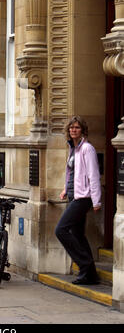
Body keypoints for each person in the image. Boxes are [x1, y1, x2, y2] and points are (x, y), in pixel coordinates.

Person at [55, 116, 101, 285]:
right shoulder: (73, 149)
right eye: (71, 128)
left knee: (60, 230)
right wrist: (65, 190)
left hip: (83, 197)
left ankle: (85, 266)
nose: (73, 130)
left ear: (83, 130)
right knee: (78, 235)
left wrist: (96, 201)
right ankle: (91, 275)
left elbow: (93, 175)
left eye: (77, 128)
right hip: (74, 195)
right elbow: (71, 173)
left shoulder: (87, 149)